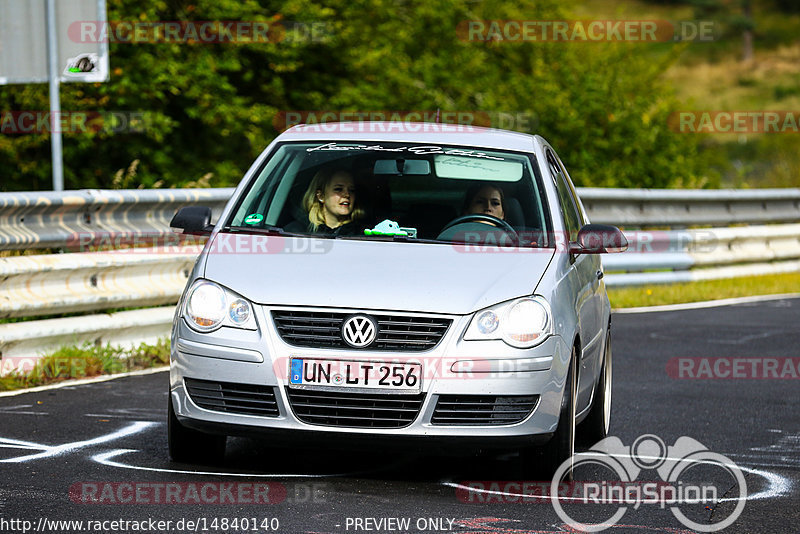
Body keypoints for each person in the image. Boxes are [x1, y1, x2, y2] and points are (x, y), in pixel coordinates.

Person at [287, 168, 366, 235]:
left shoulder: (363, 233)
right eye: (338, 189)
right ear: (321, 196)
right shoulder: (296, 232)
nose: (347, 194)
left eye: (351, 190)